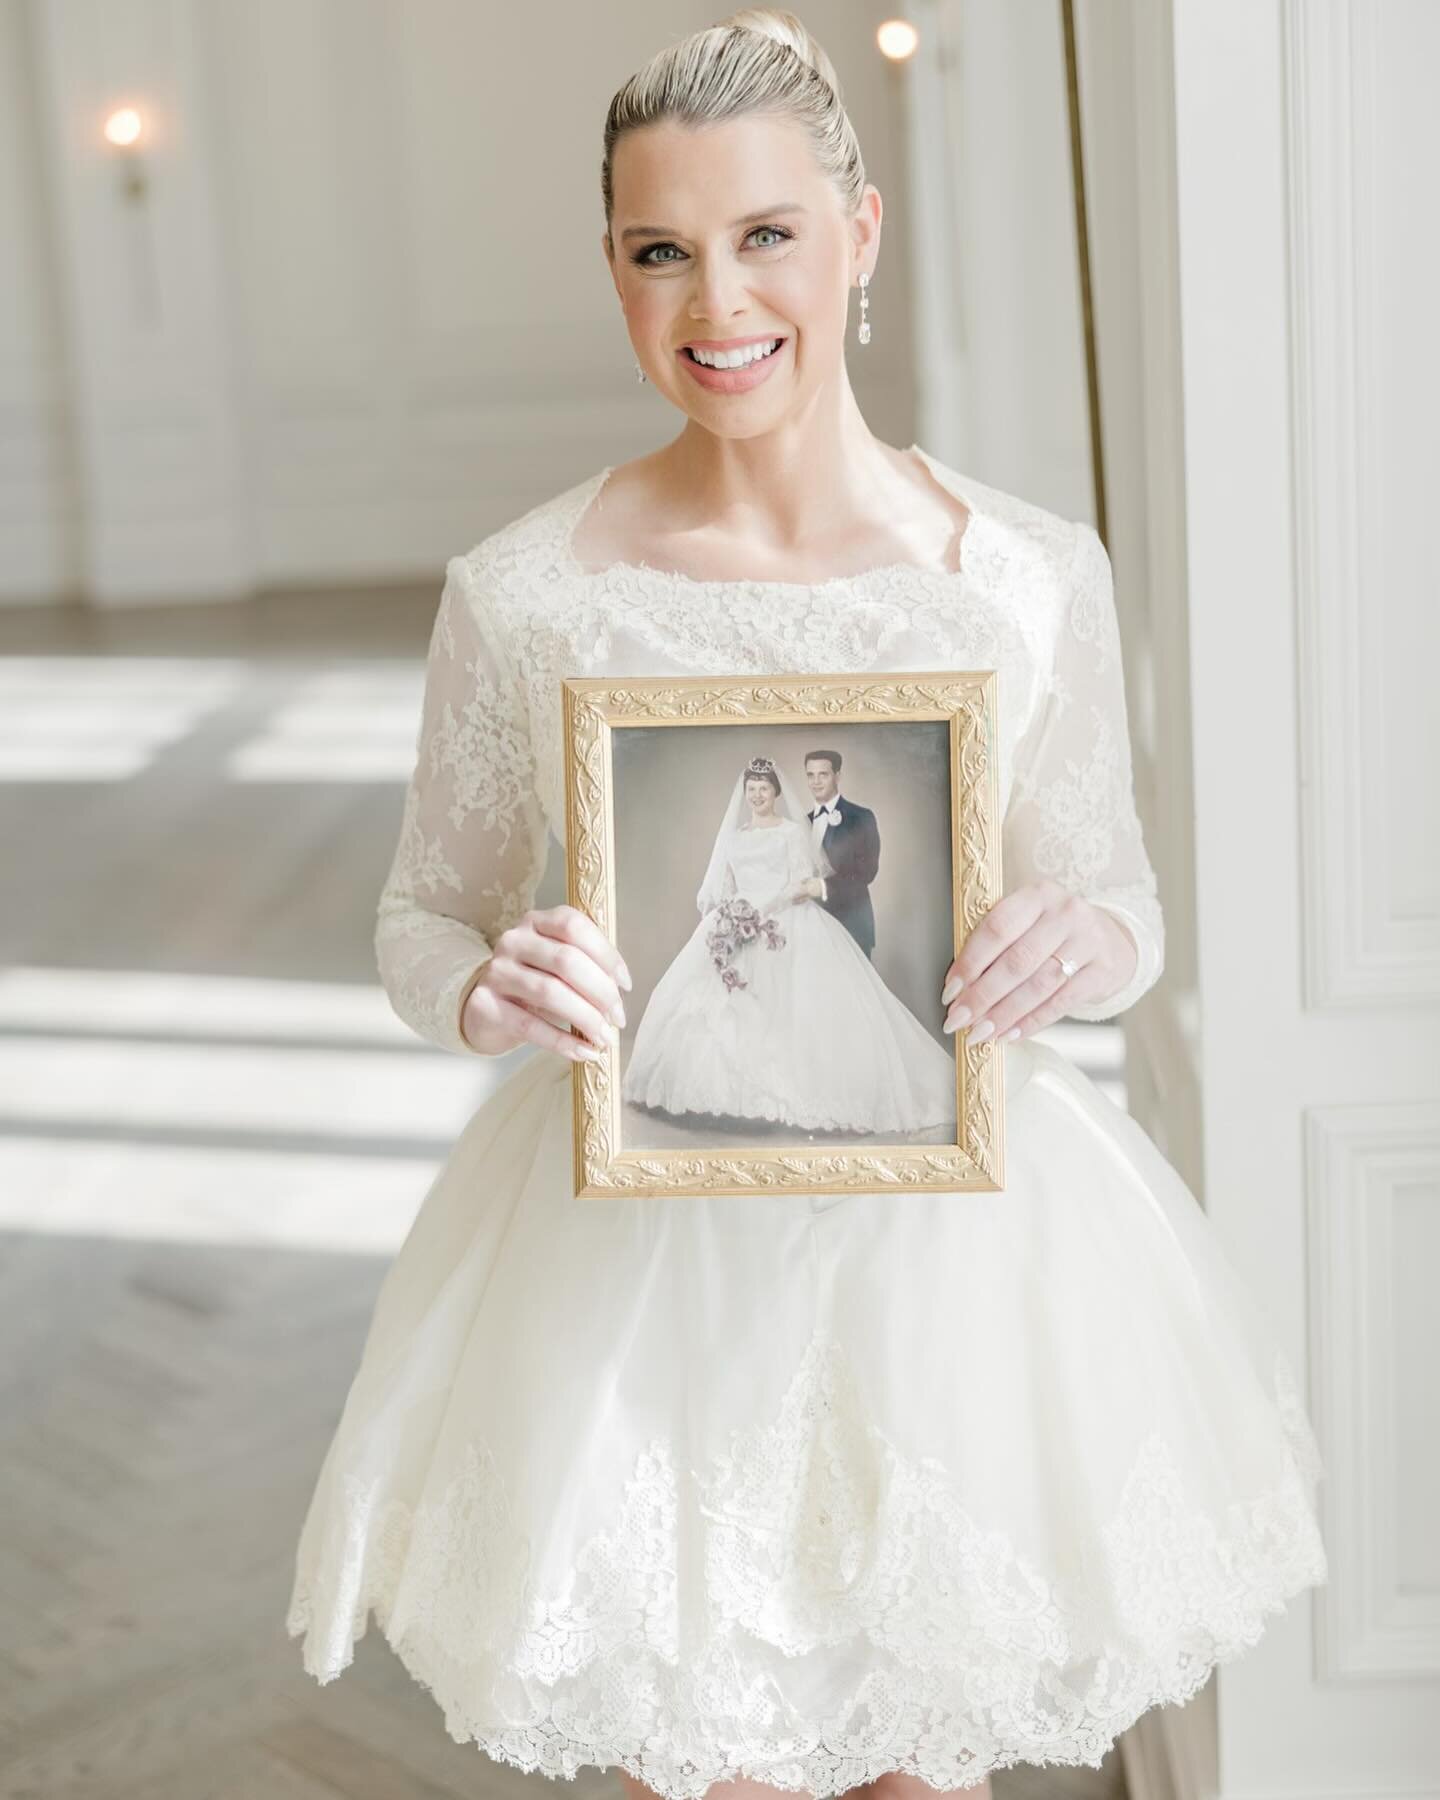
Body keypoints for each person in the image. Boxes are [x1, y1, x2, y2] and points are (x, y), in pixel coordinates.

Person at [286, 12, 1328, 1800]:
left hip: (956, 1262)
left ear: (859, 233)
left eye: (766, 233)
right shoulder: (531, 594)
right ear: (613, 267)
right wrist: (485, 988)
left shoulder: (1023, 578)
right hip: (636, 1271)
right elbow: (419, 917)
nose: (718, 303)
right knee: (707, 1766)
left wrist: (1091, 940)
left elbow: (1124, 899)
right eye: (660, 251)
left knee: (923, 1766)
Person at [620, 753, 956, 1134]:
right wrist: (732, 916)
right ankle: (723, 1099)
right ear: (744, 793)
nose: (757, 795)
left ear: (776, 793)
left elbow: (801, 881)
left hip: (784, 919)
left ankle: (794, 1101)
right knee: (714, 1006)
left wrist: (765, 908)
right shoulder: (732, 838)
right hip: (738, 918)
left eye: (764, 789)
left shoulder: (792, 833)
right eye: (752, 789)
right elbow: (724, 886)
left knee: (797, 1009)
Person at [802, 749, 881, 957]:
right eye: (811, 775)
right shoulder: (802, 823)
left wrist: (823, 886)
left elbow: (867, 872)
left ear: (837, 776)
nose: (816, 782)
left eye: (823, 774)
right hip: (811, 928)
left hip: (851, 923)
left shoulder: (861, 817)